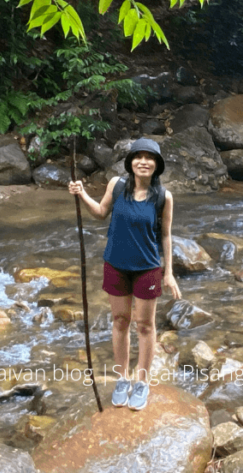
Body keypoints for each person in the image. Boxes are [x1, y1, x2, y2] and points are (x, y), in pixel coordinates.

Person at [68, 138, 180, 411]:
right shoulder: (116, 186)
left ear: (157, 164)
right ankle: (122, 378)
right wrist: (81, 194)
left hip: (147, 268)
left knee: (145, 325)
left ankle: (141, 381)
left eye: (149, 157)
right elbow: (100, 213)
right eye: (138, 157)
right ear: (130, 163)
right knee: (120, 321)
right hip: (116, 265)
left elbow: (165, 235)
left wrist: (169, 273)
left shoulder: (163, 197)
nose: (143, 161)